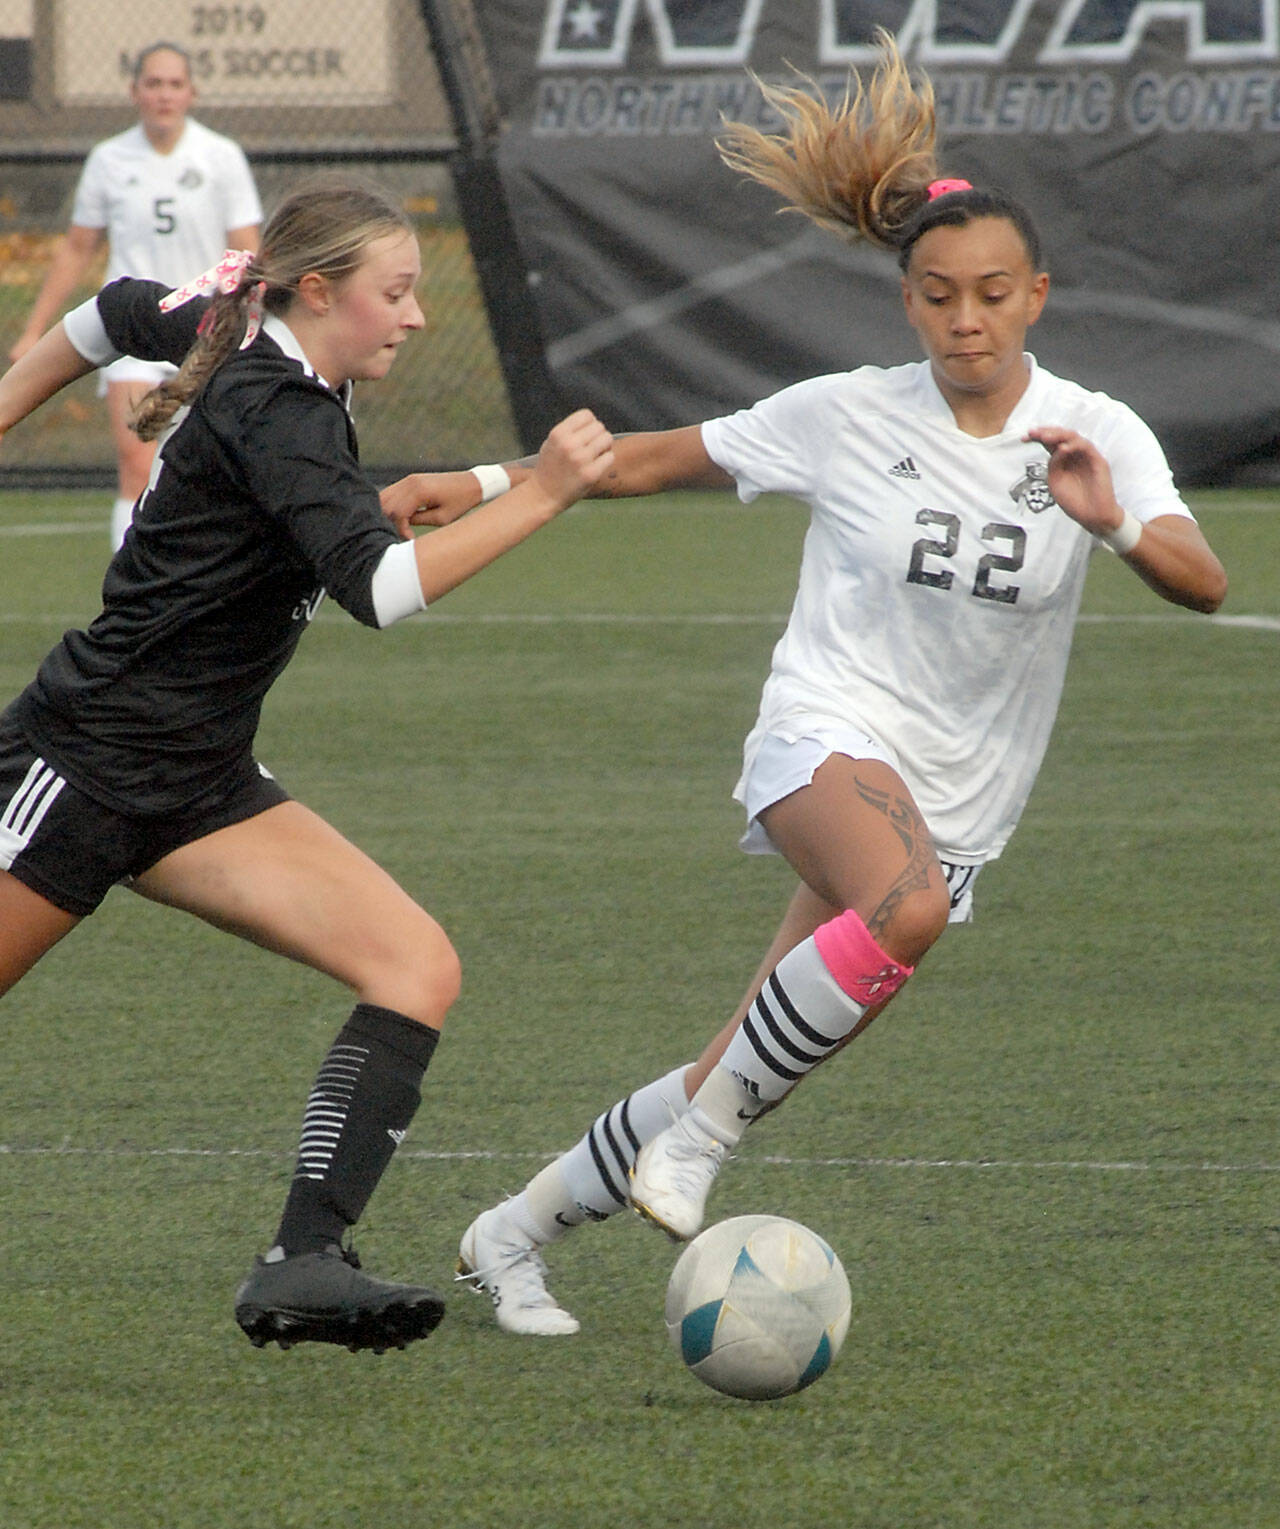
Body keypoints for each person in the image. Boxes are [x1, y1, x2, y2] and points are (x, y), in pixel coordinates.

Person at [394, 34, 1227, 1336]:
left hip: (957, 805)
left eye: (995, 294)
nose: (968, 319)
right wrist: (491, 481)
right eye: (941, 295)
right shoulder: (848, 413)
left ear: (1039, 295)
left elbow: (1204, 577)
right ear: (909, 303)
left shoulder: (1096, 429)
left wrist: (1111, 520)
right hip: (824, 737)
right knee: (898, 920)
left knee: (743, 1055)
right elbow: (643, 459)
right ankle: (701, 1148)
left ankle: (513, 1232)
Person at [0, 175, 614, 1352]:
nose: (416, 316)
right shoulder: (275, 403)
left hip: (197, 783)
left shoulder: (255, 340)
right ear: (320, 290)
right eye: (395, 292)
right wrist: (539, 492)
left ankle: (303, 1260)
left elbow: (113, 315)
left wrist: (503, 479)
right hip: (80, 768)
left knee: (412, 965)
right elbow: (381, 590)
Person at [7, 41, 263, 550]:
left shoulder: (220, 157)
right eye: (153, 83)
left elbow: (247, 251)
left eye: (174, 84)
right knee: (136, 462)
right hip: (133, 332)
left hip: (205, 331)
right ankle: (131, 594)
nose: (163, 95)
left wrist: (253, 323)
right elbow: (79, 247)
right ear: (135, 92)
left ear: (191, 92)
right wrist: (34, 330)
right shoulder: (109, 159)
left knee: (212, 471)